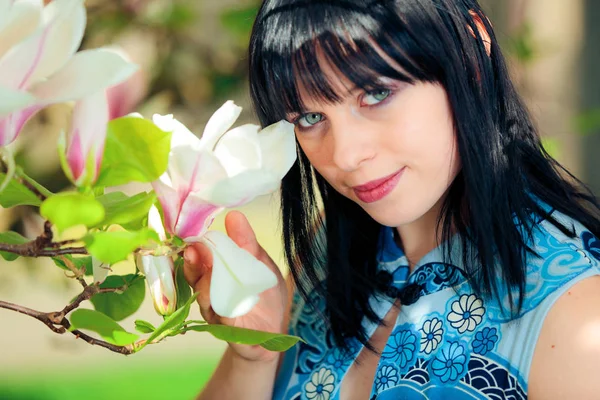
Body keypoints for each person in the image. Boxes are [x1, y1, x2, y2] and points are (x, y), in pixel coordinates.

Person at [183, 0, 600, 398]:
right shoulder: (327, 248)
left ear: (471, 51)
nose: (345, 155)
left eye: (376, 94)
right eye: (310, 118)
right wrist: (253, 358)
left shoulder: (577, 319)